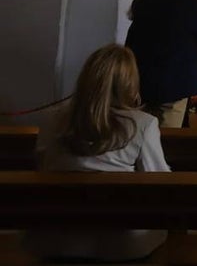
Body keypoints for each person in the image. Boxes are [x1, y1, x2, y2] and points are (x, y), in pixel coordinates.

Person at [25, 44, 170, 262]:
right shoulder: (143, 124)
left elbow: (42, 164)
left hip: (56, 238)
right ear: (130, 83)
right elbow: (159, 179)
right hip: (121, 242)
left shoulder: (52, 120)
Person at [125, 0, 197, 128]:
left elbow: (133, 39)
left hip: (145, 79)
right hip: (178, 80)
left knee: (143, 131)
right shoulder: (191, 4)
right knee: (171, 134)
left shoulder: (143, 3)